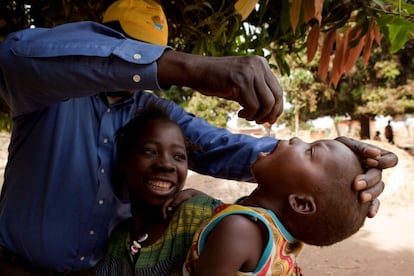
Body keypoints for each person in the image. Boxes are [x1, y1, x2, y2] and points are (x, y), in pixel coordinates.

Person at [0, 0, 397, 273]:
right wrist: (190, 68)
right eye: (128, 51)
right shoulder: (43, 90)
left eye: (147, 53)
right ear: (102, 41)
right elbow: (14, 55)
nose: (133, 67)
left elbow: (225, 148)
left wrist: (338, 177)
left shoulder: (149, 111)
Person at [184, 137, 373, 276]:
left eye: (310, 151)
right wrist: (198, 197)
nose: (296, 139)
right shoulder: (275, 238)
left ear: (299, 203)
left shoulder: (240, 230)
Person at [91, 105, 223, 275]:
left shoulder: (198, 213)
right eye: (150, 152)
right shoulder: (119, 238)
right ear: (124, 162)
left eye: (178, 156)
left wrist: (212, 206)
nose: (166, 164)